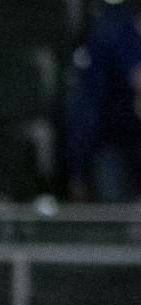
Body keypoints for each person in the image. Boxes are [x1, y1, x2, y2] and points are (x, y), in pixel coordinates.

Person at [69, 3, 141, 203]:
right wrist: (79, 168)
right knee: (115, 210)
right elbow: (90, 104)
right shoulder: (110, 37)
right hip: (113, 144)